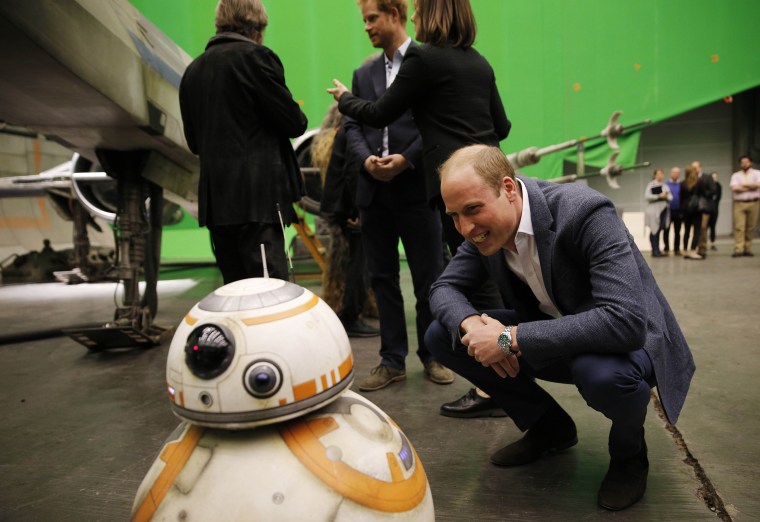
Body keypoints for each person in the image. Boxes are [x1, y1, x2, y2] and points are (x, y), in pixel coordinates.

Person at [424, 145, 695, 511]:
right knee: (444, 335)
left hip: (626, 340)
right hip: (554, 330)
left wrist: (507, 338)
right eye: (454, 216)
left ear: (508, 188)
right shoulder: (484, 230)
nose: (465, 228)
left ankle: (630, 454)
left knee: (602, 376)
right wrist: (473, 325)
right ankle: (550, 427)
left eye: (472, 210)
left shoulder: (584, 211)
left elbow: (625, 320)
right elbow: (444, 289)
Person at [327, 0, 511, 259]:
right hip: (492, 178)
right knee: (495, 268)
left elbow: (378, 114)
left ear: (432, 16)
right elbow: (502, 127)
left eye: (418, 12)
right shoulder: (480, 62)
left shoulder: (423, 58)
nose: (412, 18)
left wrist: (345, 98)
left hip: (458, 183)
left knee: (472, 269)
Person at [342, 0, 451, 390]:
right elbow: (352, 126)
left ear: (394, 15)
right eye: (364, 20)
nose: (367, 26)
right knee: (383, 278)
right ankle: (392, 361)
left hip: (417, 188)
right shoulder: (363, 73)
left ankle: (433, 354)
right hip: (374, 192)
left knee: (429, 278)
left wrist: (407, 159)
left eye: (372, 18)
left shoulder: (425, 63)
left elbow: (436, 124)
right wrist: (366, 161)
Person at [179, 0, 307, 283]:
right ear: (256, 27)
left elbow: (194, 142)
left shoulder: (193, 71)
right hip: (257, 202)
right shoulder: (257, 58)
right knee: (269, 292)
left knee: (234, 292)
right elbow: (294, 123)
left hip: (217, 206)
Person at [313, 103, 379, 338]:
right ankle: (351, 314)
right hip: (349, 208)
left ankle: (349, 311)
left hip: (339, 206)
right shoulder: (353, 132)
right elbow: (352, 172)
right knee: (357, 262)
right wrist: (359, 210)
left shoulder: (332, 137)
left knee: (345, 259)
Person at [729, 155, 760, 257]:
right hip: (740, 203)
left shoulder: (757, 173)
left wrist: (743, 185)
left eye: (746, 162)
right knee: (739, 227)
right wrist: (751, 186)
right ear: (740, 164)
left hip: (753, 202)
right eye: (742, 162)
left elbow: (758, 185)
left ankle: (748, 249)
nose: (744, 164)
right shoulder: (736, 175)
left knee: (750, 227)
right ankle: (739, 249)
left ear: (750, 163)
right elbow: (734, 188)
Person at [644, 168, 671, 257]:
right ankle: (654, 250)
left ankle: (658, 250)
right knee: (654, 230)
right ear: (655, 175)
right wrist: (659, 196)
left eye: (661, 173)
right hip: (654, 211)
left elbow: (671, 197)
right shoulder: (651, 185)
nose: (660, 175)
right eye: (658, 174)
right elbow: (647, 196)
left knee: (659, 230)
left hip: (663, 210)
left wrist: (665, 196)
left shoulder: (665, 186)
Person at [693, 160, 716, 258]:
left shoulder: (707, 177)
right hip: (694, 208)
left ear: (700, 167)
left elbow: (713, 191)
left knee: (703, 227)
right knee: (696, 228)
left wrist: (703, 190)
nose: (694, 170)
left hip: (705, 207)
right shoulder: (691, 178)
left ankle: (702, 248)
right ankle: (694, 248)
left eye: (696, 167)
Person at [680, 165, 703, 259]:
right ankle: (693, 250)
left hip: (686, 209)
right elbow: (703, 194)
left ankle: (685, 250)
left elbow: (681, 198)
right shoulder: (699, 182)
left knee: (687, 231)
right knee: (696, 231)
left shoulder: (683, 183)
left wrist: (681, 210)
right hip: (696, 209)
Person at [663, 166, 682, 255]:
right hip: (668, 210)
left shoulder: (681, 185)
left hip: (678, 210)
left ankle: (677, 249)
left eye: (677, 173)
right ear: (671, 173)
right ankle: (666, 248)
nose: (676, 174)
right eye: (674, 172)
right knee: (666, 230)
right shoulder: (665, 185)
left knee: (677, 231)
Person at [708, 171, 722, 250]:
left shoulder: (718, 186)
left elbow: (718, 198)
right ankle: (704, 244)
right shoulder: (706, 186)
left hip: (714, 209)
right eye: (713, 177)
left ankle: (713, 243)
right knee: (704, 227)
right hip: (706, 209)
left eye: (715, 177)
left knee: (713, 227)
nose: (714, 179)